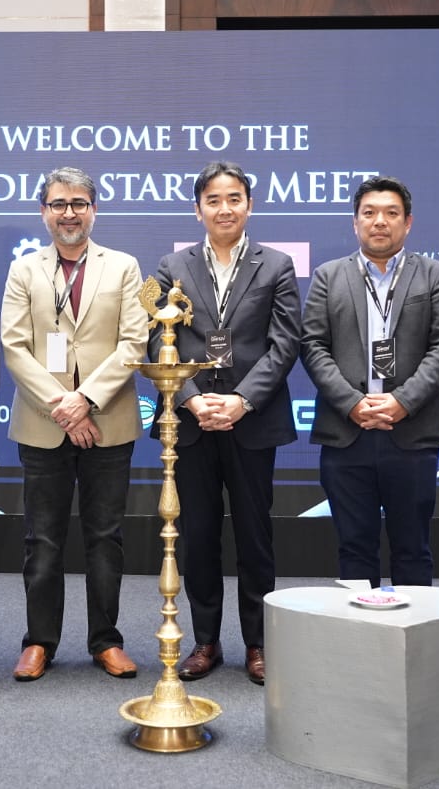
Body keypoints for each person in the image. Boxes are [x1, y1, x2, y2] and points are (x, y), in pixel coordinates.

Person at [152, 161, 301, 686]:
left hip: (251, 421)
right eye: (213, 200)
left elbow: (285, 344)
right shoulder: (171, 266)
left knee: (255, 535)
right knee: (197, 534)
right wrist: (192, 400)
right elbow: (157, 338)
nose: (224, 209)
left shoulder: (276, 265)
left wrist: (241, 400)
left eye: (233, 198)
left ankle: (258, 643)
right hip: (192, 423)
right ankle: (204, 641)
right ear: (198, 209)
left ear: (249, 205)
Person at [0, 167, 148, 682]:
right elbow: (15, 346)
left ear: (94, 211)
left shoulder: (124, 267)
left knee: (105, 537)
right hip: (44, 425)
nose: (69, 213)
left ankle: (106, 641)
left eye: (79, 203)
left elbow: (134, 343)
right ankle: (39, 641)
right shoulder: (24, 270)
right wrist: (62, 407)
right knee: (42, 540)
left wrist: (84, 400)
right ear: (44, 212)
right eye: (59, 204)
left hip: (109, 422)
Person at [300, 175, 439, 589]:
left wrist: (402, 401)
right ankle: (360, 632)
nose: (379, 221)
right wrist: (352, 403)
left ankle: (416, 630)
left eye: (391, 213)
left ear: (408, 222)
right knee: (354, 548)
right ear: (355, 222)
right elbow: (313, 346)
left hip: (411, 431)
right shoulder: (328, 276)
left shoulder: (433, 275)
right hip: (346, 433)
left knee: (413, 548)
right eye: (369, 213)